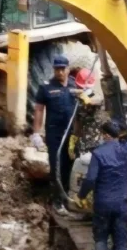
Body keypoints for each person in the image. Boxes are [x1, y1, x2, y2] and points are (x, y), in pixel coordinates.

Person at [74, 103, 127, 250]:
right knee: (121, 242)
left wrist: (81, 196)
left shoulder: (98, 154)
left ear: (106, 135)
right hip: (121, 204)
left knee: (101, 239)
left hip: (102, 204)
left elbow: (91, 179)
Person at [31, 54, 77, 211]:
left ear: (68, 69)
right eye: (57, 69)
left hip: (72, 134)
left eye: (63, 69)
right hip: (54, 134)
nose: (60, 72)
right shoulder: (46, 87)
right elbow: (38, 110)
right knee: (56, 165)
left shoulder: (75, 86)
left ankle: (68, 197)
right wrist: (36, 133)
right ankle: (57, 200)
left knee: (70, 166)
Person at [69, 67, 106, 159]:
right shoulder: (79, 104)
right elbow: (76, 126)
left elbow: (97, 101)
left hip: (98, 146)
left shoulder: (97, 96)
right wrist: (72, 144)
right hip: (83, 148)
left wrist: (85, 97)